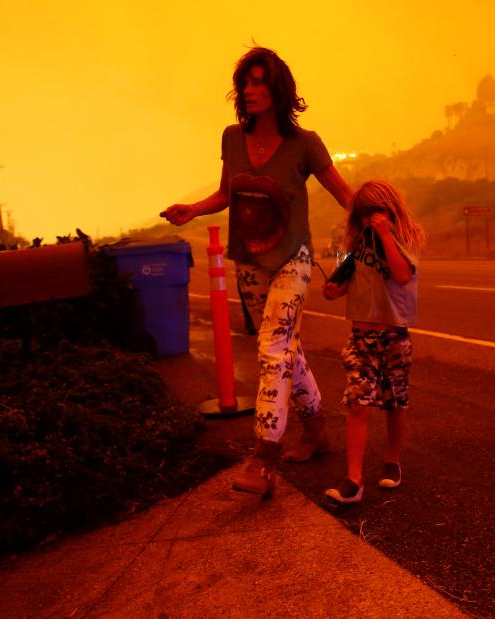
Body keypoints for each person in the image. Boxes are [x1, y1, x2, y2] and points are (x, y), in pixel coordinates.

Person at [160, 46, 352, 497]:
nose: (249, 90)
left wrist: (361, 245)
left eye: (259, 82)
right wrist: (194, 209)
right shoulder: (231, 138)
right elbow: (227, 192)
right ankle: (317, 431)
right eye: (245, 82)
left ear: (278, 89)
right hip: (248, 262)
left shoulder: (306, 144)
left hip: (293, 259)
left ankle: (264, 456)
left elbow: (348, 198)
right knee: (286, 350)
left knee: (272, 347)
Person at [321, 180, 425, 504]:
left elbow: (402, 275)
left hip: (394, 334)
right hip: (361, 336)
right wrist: (335, 289)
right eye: (364, 214)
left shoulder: (406, 239)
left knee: (395, 402)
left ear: (391, 209)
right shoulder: (353, 246)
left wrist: (384, 235)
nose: (371, 219)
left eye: (377, 211)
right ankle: (353, 480)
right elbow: (345, 280)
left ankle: (392, 460)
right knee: (357, 402)